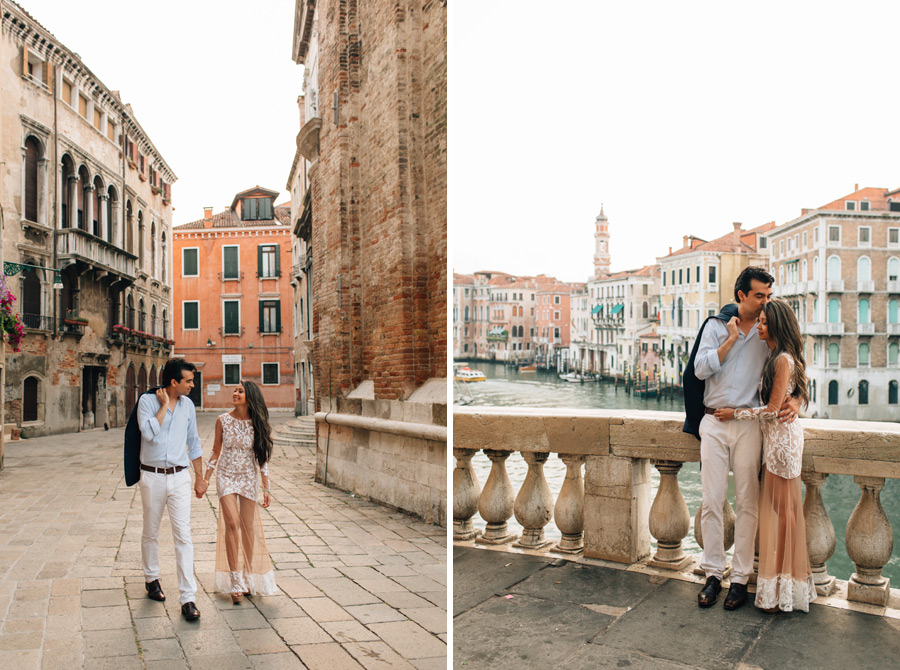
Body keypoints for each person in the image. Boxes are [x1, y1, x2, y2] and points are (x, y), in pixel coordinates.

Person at [692, 266, 801, 610]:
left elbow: (794, 367)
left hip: (749, 425)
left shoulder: (770, 334)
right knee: (711, 501)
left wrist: (796, 399)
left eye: (768, 296)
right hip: (712, 422)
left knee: (748, 502)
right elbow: (700, 369)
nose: (765, 302)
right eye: (759, 296)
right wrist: (731, 339)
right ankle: (713, 574)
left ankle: (739, 579)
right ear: (741, 295)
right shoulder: (714, 326)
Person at [714, 299, 816, 612]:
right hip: (775, 443)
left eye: (763, 322)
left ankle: (784, 590)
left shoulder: (782, 359)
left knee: (783, 516)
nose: (758, 326)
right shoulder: (776, 356)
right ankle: (782, 588)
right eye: (758, 321)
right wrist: (797, 397)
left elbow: (772, 411)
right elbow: (789, 394)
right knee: (779, 513)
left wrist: (735, 414)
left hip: (782, 444)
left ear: (776, 325)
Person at [197, 380, 278, 602]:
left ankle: (247, 575)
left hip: (248, 478)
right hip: (226, 476)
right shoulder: (222, 420)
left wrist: (266, 487)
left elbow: (263, 457)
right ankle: (235, 580)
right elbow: (215, 451)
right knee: (232, 523)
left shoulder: (257, 423)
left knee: (247, 527)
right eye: (235, 390)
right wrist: (205, 479)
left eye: (240, 391)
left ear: (250, 396)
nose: (235, 393)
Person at [137, 358, 204, 620]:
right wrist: (164, 406)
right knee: (150, 531)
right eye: (188, 380)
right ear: (174, 382)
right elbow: (148, 433)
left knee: (183, 536)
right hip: (152, 476)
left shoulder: (188, 406)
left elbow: (194, 441)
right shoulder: (147, 401)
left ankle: (188, 598)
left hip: (179, 478)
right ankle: (151, 578)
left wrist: (200, 477)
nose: (192, 385)